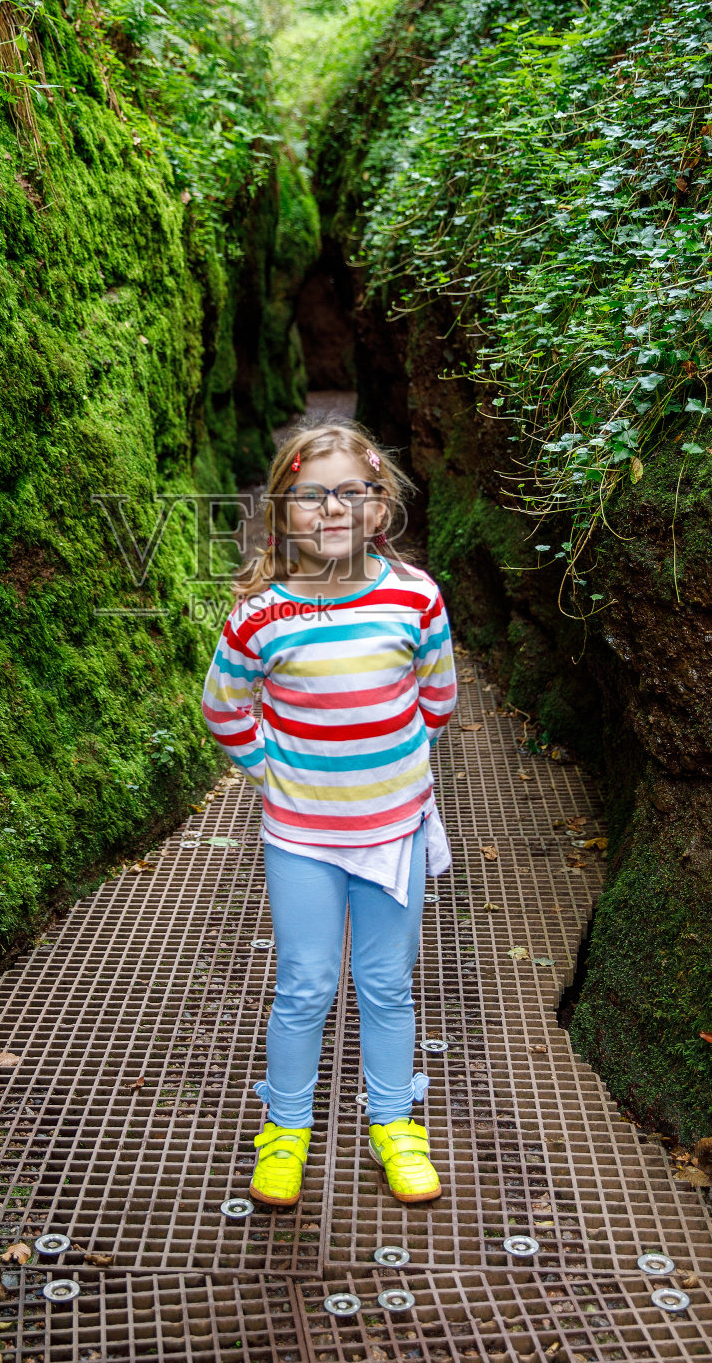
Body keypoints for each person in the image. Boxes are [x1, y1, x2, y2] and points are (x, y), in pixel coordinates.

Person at [201, 418, 458, 1211]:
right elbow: (222, 706)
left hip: (394, 831)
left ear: (382, 509)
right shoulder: (259, 616)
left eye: (354, 494)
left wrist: (386, 768)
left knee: (385, 983)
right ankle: (285, 1128)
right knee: (305, 984)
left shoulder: (415, 599)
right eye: (310, 497)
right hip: (302, 838)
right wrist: (269, 770)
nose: (333, 510)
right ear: (281, 515)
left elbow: (437, 698)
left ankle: (394, 1123)